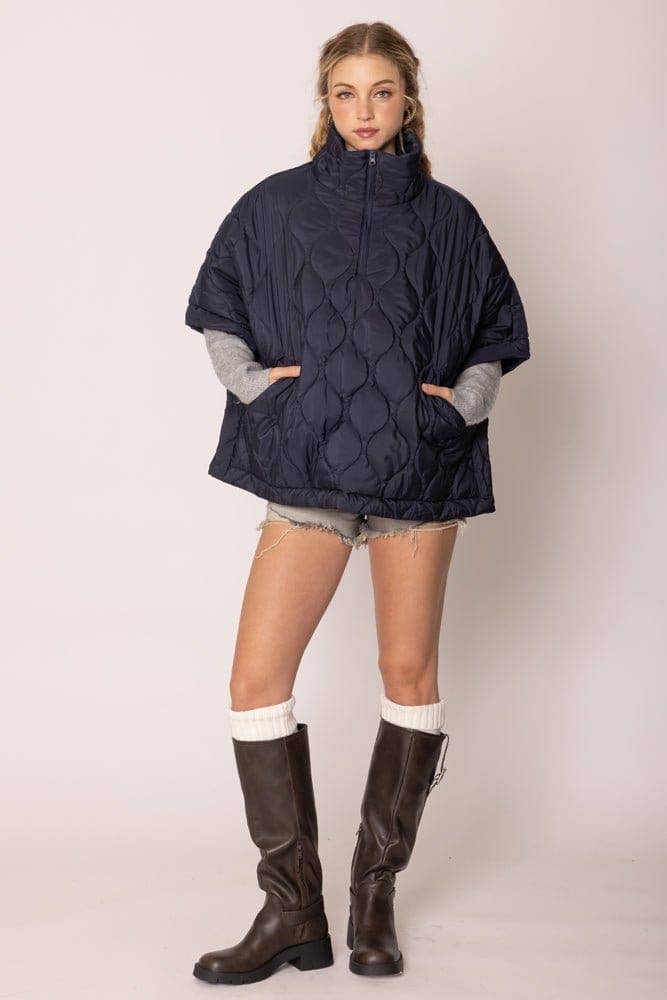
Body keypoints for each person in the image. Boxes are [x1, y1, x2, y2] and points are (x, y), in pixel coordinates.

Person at [184, 21, 530, 985]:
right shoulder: (277, 205)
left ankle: (371, 898)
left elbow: (494, 328)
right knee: (256, 680)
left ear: (408, 99)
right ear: (325, 102)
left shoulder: (450, 218)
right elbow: (220, 305)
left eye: (380, 91)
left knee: (407, 672)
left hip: (416, 475)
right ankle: (289, 910)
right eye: (345, 92)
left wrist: (462, 406)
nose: (363, 110)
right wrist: (255, 388)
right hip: (309, 469)